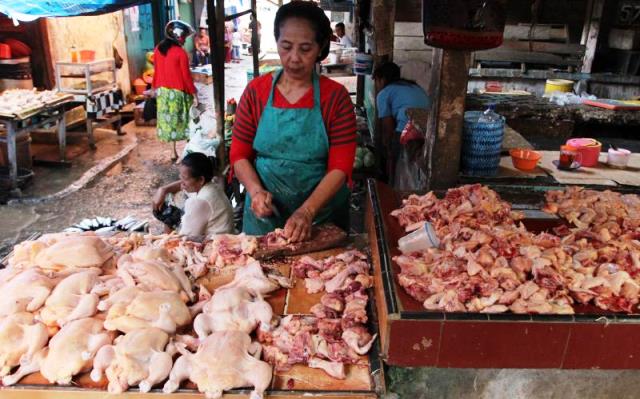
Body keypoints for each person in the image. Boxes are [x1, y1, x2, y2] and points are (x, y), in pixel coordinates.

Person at [230, 1, 357, 242]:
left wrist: (307, 211)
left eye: (306, 48)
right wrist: (256, 192)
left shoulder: (335, 98)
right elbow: (239, 155)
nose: (294, 58)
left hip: (321, 217)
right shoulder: (257, 91)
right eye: (286, 46)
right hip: (264, 217)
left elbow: (340, 166)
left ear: (320, 48)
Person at [373, 62, 430, 188]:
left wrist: (388, 146)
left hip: (406, 129)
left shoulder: (384, 93)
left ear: (382, 79)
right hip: (427, 129)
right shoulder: (414, 86)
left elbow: (388, 127)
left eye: (376, 80)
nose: (376, 85)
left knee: (395, 165)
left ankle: (392, 190)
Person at [153, 152, 234, 237]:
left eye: (184, 178)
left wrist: (168, 226)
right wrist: (163, 190)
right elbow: (181, 186)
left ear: (201, 180)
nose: (181, 182)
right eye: (180, 176)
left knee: (168, 226)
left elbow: (184, 238)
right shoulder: (211, 185)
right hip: (226, 239)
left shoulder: (200, 201)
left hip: (215, 246)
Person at [153, 20, 197, 160]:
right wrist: (194, 93)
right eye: (184, 37)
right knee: (186, 121)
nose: (185, 40)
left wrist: (155, 87)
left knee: (170, 122)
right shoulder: (181, 53)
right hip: (177, 92)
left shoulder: (158, 49)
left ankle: (173, 152)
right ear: (180, 37)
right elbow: (186, 76)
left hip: (162, 92)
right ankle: (188, 150)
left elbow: (156, 70)